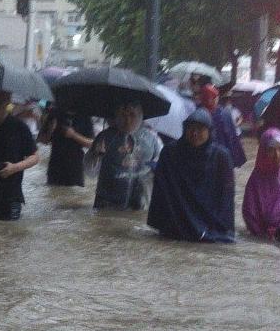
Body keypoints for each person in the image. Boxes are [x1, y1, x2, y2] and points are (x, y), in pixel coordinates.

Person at [145, 108, 235, 243]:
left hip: (209, 224)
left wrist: (224, 228)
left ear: (209, 131)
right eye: (191, 128)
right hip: (176, 222)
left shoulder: (221, 157)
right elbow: (161, 191)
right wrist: (161, 223)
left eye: (200, 129)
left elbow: (226, 197)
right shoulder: (170, 153)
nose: (194, 133)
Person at [88, 99, 162, 211]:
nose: (127, 120)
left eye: (132, 115)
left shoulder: (152, 139)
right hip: (107, 201)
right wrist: (96, 155)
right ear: (116, 116)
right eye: (123, 115)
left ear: (140, 116)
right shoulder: (105, 137)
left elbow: (161, 169)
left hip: (140, 202)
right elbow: (90, 171)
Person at [0, 88, 40, 221]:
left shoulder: (19, 127)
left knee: (8, 230)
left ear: (8, 100)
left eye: (0, 98)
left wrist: (14, 167)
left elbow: (35, 157)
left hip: (10, 196)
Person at [39, 106, 95, 186]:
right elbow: (43, 140)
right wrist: (50, 129)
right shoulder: (55, 113)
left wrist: (74, 135)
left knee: (75, 192)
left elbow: (91, 144)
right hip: (55, 166)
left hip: (75, 166)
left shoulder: (85, 116)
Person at [198, 84, 246, 168]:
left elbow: (232, 135)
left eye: (216, 97)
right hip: (207, 154)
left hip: (222, 152)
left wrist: (236, 157)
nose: (215, 100)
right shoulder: (199, 113)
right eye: (212, 97)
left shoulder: (224, 112)